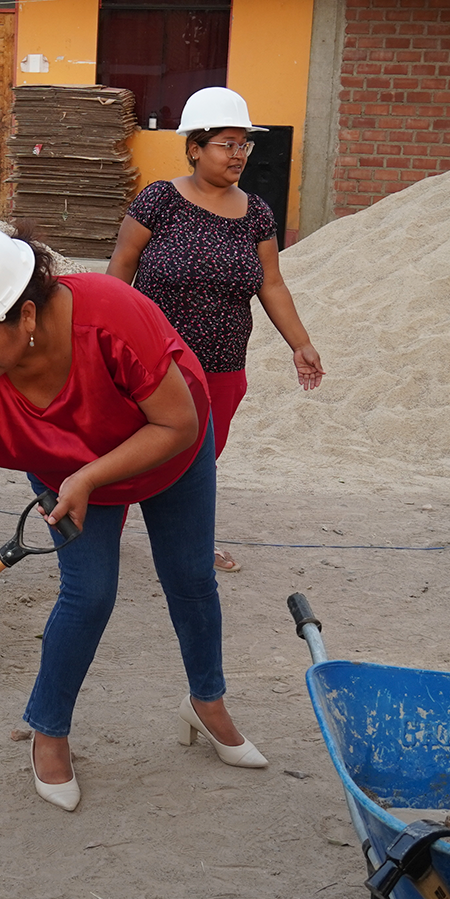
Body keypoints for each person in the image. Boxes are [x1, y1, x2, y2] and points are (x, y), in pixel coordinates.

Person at [0, 223, 266, 814]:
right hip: (65, 466)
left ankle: (206, 703)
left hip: (167, 449)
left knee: (190, 577)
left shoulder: (110, 315)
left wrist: (90, 477)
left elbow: (177, 425)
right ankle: (49, 732)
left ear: (25, 315)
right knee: (89, 593)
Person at [106, 86, 324, 573]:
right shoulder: (160, 200)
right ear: (194, 148)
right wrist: (106, 336)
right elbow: (121, 265)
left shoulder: (257, 213)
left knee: (196, 465)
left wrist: (301, 344)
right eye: (227, 143)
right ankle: (101, 537)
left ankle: (191, 544)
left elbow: (271, 283)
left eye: (244, 144)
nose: (239, 154)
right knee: (128, 450)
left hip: (222, 369)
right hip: (154, 364)